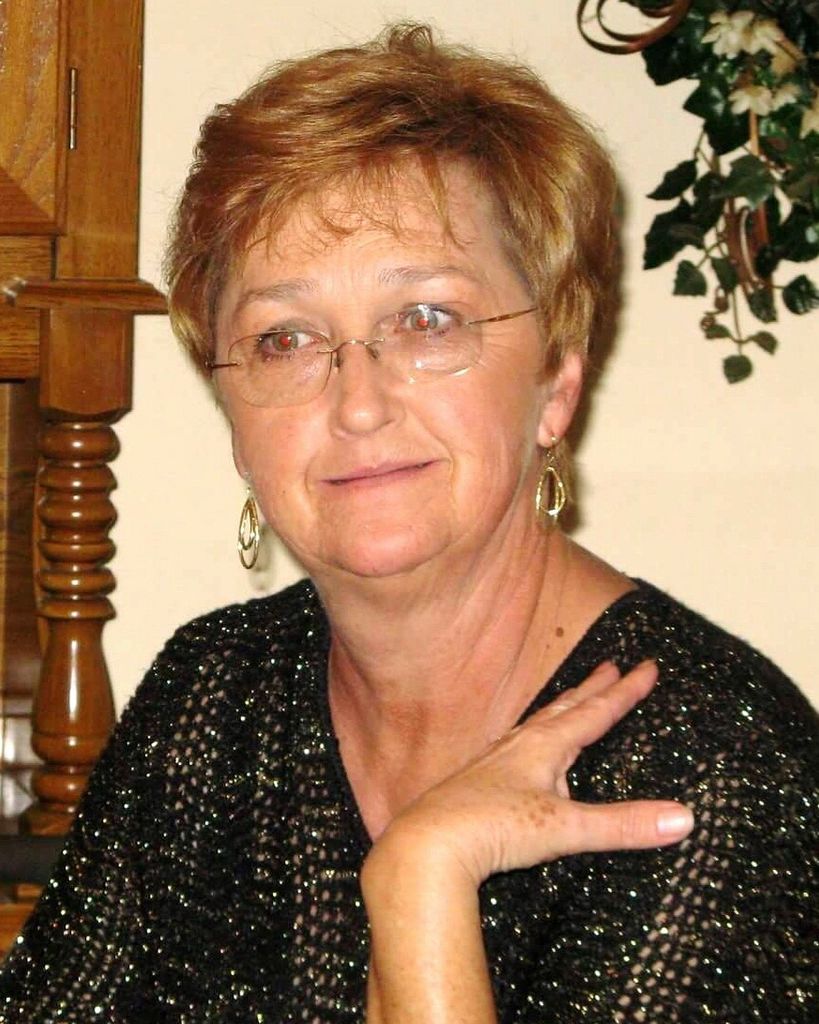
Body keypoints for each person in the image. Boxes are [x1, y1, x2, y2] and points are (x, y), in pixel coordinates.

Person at [1, 22, 817, 1024]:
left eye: (426, 320)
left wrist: (421, 883)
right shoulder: (210, 694)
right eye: (284, 338)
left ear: (556, 384)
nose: (357, 403)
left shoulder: (710, 767)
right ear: (234, 416)